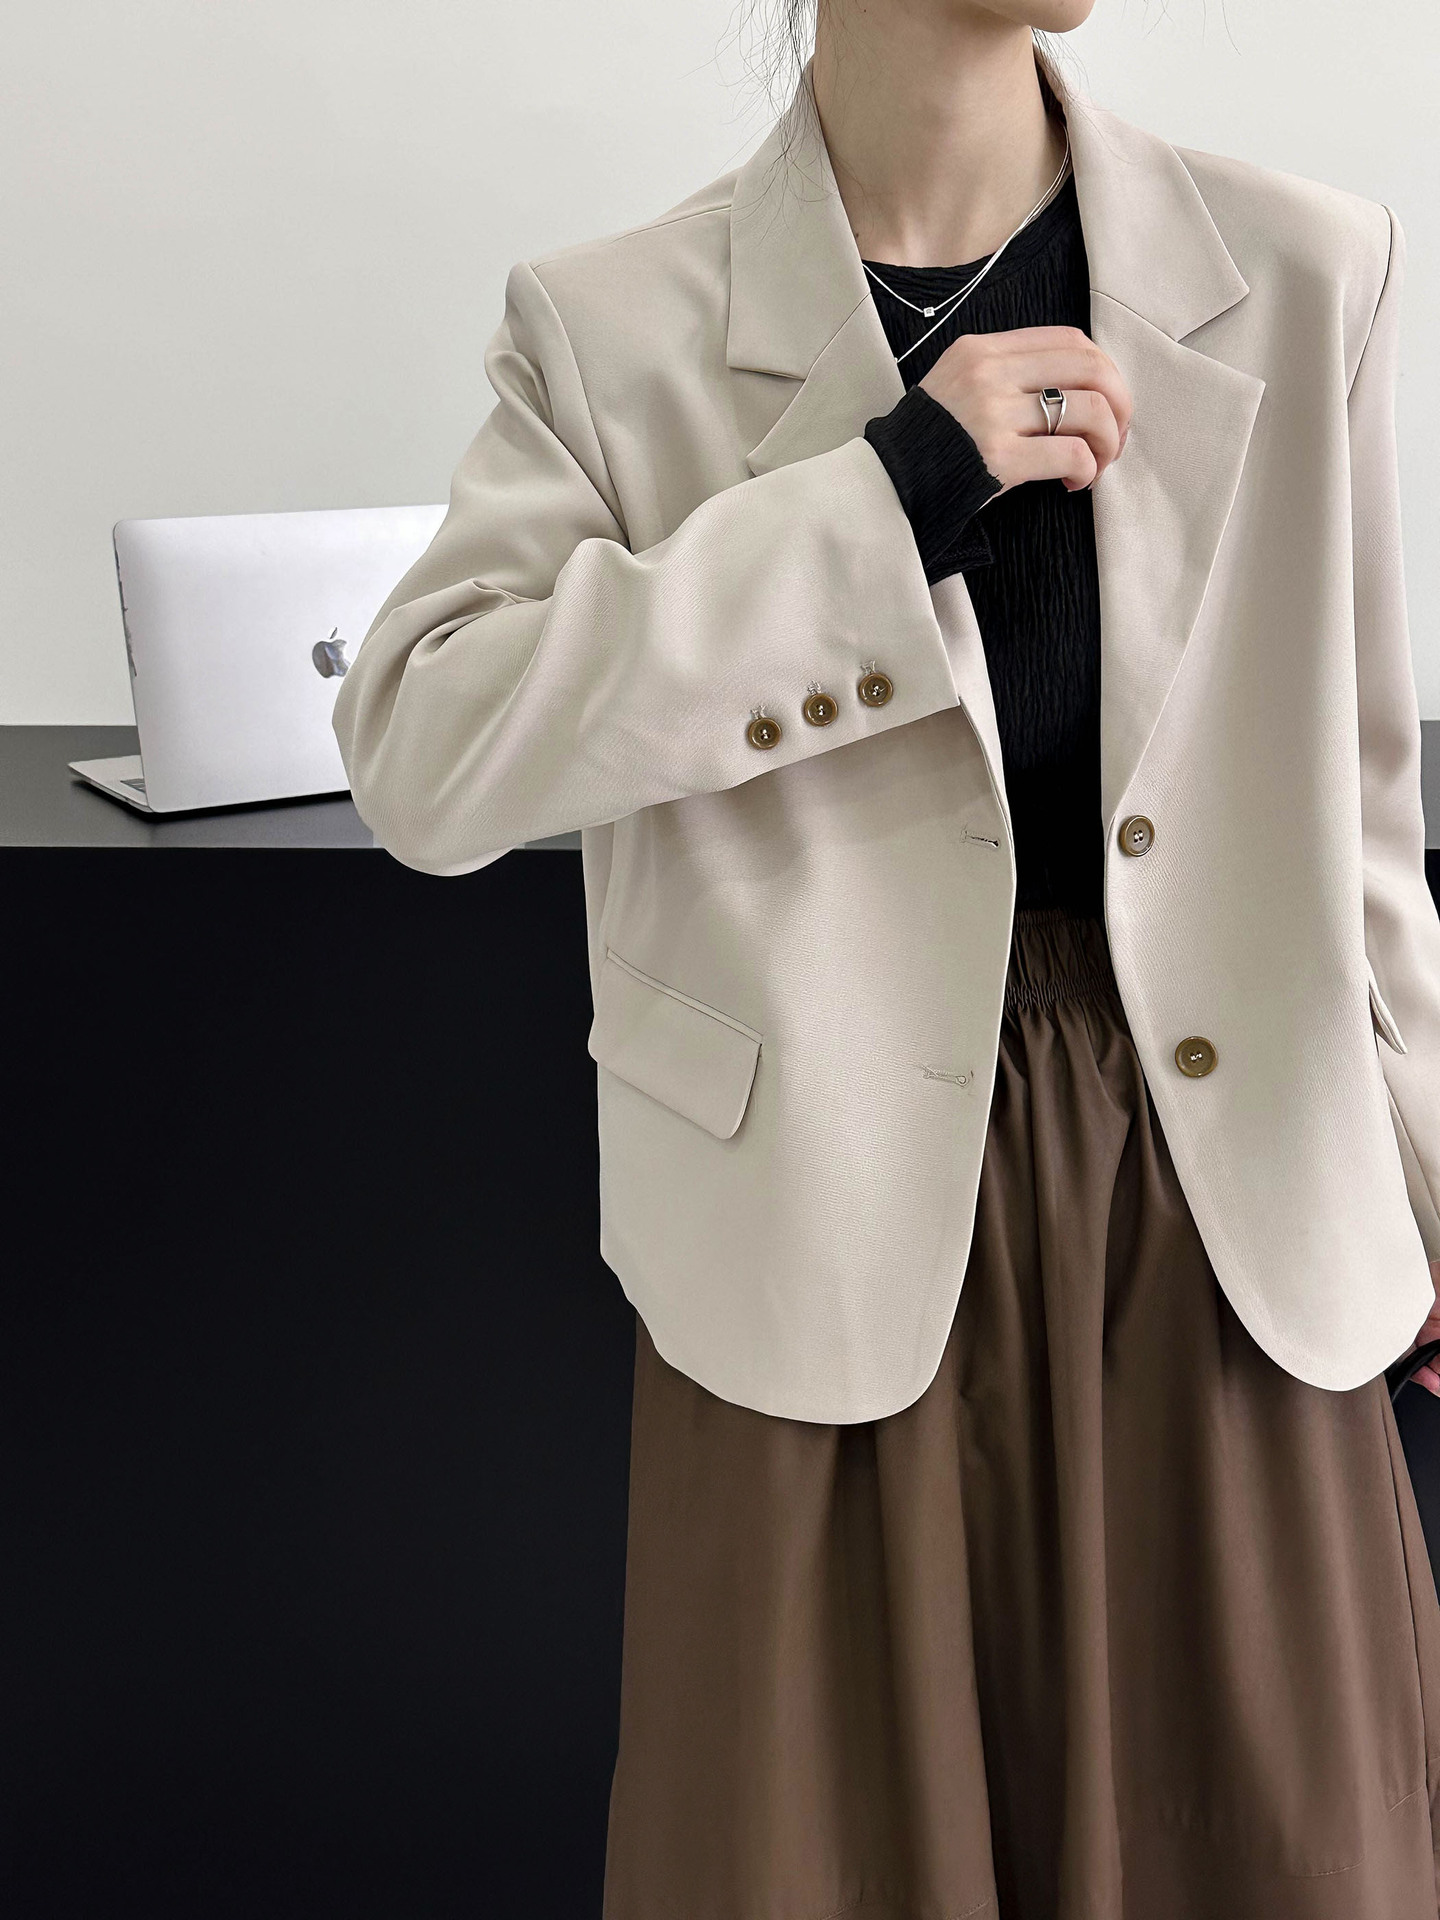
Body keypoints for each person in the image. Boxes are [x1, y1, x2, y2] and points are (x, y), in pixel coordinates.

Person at [333, 2, 1440, 1911]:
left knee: (1268, 1852)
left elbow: (1358, 820)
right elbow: (427, 755)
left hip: (1232, 1212)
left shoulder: (1300, 268)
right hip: (815, 1236)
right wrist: (887, 497)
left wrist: (1427, 1176)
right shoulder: (612, 328)